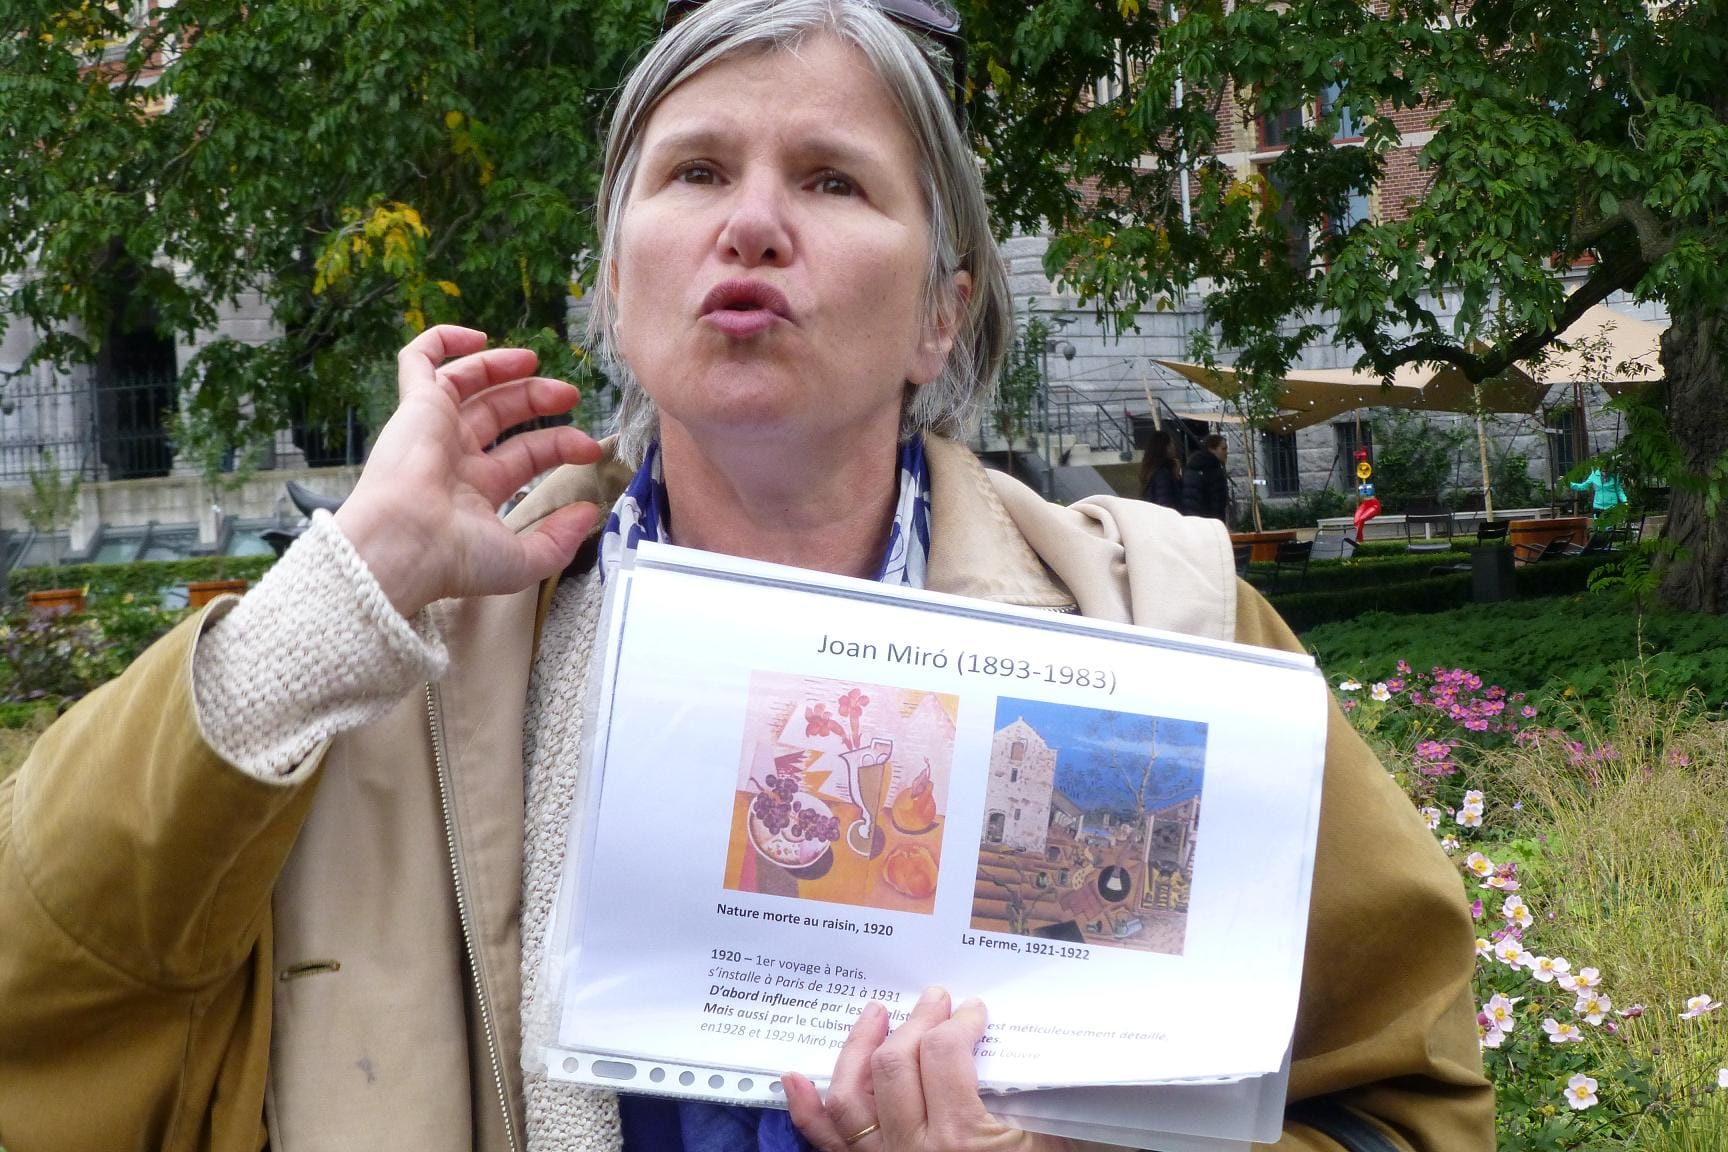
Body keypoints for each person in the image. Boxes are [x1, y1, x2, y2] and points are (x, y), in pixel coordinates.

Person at [0, 2, 1492, 1150]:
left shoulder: (1166, 628)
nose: (753, 222)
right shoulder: (383, 666)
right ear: (614, 282)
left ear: (942, 312)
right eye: (696, 170)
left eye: (834, 181)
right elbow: (45, 985)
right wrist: (351, 584)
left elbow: (1403, 1107)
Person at [1181, 432, 1230, 521]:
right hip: (1209, 520)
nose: (1226, 452)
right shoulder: (1212, 469)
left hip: (1192, 519)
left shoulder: (1191, 467)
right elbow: (1217, 502)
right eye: (1223, 449)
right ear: (1212, 449)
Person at [1138, 428, 1181, 510]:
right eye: (1171, 444)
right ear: (1165, 448)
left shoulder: (1151, 470)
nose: (1174, 447)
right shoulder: (1163, 473)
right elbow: (1165, 501)